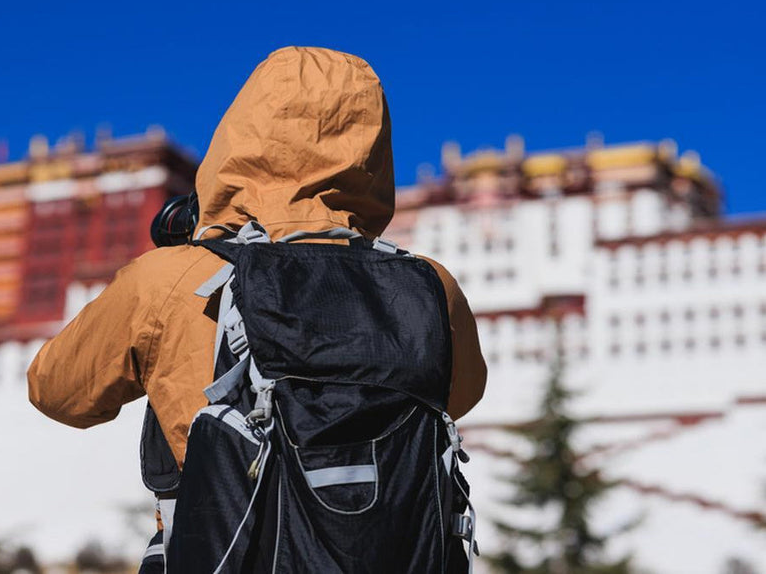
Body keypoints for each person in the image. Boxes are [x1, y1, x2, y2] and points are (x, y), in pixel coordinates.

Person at [27, 46, 487, 571]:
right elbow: (459, 397)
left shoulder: (172, 278)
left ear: (239, 138)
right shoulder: (430, 285)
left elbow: (57, 391)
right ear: (372, 148)